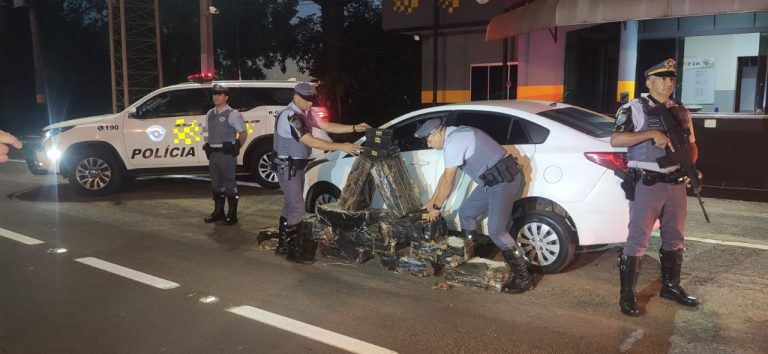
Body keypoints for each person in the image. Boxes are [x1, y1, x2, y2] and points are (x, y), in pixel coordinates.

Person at [610, 58, 700, 317]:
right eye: (662, 78)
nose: (669, 82)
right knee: (637, 240)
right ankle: (626, 296)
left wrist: (690, 168)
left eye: (671, 78)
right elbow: (616, 139)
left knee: (675, 238)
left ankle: (670, 286)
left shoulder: (681, 110)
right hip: (647, 182)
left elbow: (692, 144)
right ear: (649, 82)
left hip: (675, 184)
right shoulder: (633, 108)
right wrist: (650, 134)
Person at [415, 119, 532, 293]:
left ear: (438, 132)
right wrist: (432, 201)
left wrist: (437, 208)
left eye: (429, 139)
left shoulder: (455, 142)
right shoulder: (455, 135)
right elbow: (444, 176)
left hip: (503, 181)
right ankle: (474, 259)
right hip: (491, 182)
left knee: (497, 231)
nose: (428, 144)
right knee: (467, 213)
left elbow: (449, 180)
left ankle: (523, 278)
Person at [273, 82, 370, 263]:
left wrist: (354, 128)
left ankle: (283, 245)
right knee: (297, 207)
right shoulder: (290, 117)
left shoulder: (304, 113)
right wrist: (343, 147)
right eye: (307, 100)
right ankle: (293, 252)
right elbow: (312, 142)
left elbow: (326, 125)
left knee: (290, 205)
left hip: (296, 166)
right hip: (287, 167)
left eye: (312, 100)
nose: (311, 104)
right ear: (296, 97)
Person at [202, 84, 248, 226]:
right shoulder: (210, 113)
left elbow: (243, 133)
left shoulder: (233, 114)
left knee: (229, 184)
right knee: (216, 185)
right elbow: (206, 131)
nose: (216, 97)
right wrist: (207, 144)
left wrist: (237, 146)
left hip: (226, 154)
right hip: (213, 155)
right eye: (214, 94)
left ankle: (232, 215)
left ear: (226, 97)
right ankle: (218, 212)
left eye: (220, 94)